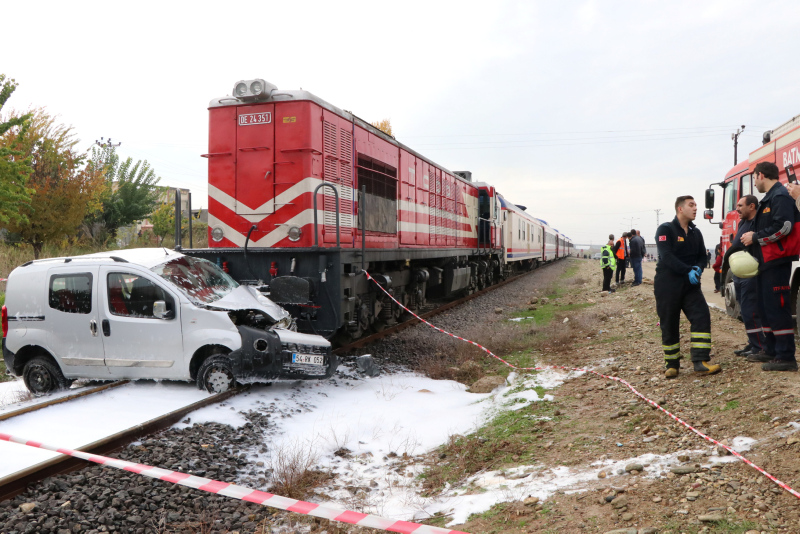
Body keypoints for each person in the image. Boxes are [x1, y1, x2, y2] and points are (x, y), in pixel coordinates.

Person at [740, 162, 800, 372]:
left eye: (754, 178)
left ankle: (785, 357)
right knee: (765, 308)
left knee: (777, 309)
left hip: (776, 262)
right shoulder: (769, 198)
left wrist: (756, 237)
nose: (754, 183)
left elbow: (785, 226)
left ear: (761, 175)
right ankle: (770, 349)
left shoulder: (779, 197)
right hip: (764, 263)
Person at [654, 196, 721, 378]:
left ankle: (700, 361)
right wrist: (687, 270)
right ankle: (672, 364)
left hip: (690, 285)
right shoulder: (665, 229)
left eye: (696, 205)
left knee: (701, 317)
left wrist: (698, 268)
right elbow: (666, 256)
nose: (696, 208)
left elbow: (701, 255)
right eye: (691, 205)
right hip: (668, 284)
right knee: (669, 322)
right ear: (680, 209)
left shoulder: (695, 232)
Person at [722, 195, 766, 358]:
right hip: (739, 273)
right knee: (744, 310)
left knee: (751, 311)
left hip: (750, 273)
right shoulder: (742, 222)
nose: (737, 209)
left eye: (740, 205)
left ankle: (760, 346)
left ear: (752, 206)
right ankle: (753, 342)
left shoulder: (758, 223)